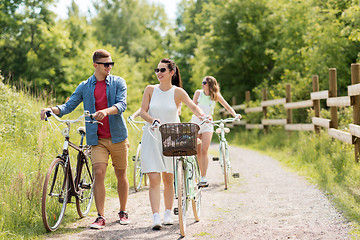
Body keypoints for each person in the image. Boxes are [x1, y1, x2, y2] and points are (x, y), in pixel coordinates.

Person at [40, 49, 131, 229]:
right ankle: (101, 216)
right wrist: (51, 109)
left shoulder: (118, 82)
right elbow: (68, 106)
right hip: (96, 138)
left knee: (121, 174)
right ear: (95, 65)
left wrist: (106, 111)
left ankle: (123, 211)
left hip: (118, 136)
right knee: (98, 173)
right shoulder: (85, 86)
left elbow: (122, 105)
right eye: (106, 64)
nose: (109, 67)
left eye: (111, 64)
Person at [139, 58, 206, 230]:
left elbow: (193, 106)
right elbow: (143, 112)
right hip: (152, 137)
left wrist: (204, 116)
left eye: (162, 70)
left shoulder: (178, 92)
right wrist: (152, 119)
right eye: (157, 70)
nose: (159, 73)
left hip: (170, 138)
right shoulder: (150, 90)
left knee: (168, 178)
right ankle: (156, 216)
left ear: (171, 72)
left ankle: (168, 213)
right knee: (154, 179)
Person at [191, 76, 241, 187]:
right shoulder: (198, 93)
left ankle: (203, 177)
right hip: (196, 122)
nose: (202, 84)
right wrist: (201, 116)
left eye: (204, 82)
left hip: (208, 124)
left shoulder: (215, 96)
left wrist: (235, 114)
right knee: (197, 151)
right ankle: (196, 175)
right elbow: (192, 108)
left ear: (210, 84)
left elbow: (227, 106)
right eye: (202, 82)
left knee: (204, 149)